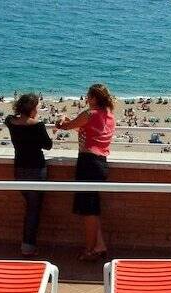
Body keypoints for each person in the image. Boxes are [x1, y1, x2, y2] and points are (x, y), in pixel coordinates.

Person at [56, 84, 116, 261]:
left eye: (88, 96)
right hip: (101, 163)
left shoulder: (89, 113)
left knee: (88, 211)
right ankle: (99, 245)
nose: (86, 99)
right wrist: (71, 123)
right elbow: (88, 130)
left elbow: (64, 126)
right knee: (92, 208)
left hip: (88, 163)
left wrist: (61, 118)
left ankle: (90, 250)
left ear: (94, 98)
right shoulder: (109, 115)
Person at [5, 93, 53, 256]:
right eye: (37, 107)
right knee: (33, 209)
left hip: (19, 169)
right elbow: (48, 145)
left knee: (30, 207)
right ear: (32, 109)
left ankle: (28, 245)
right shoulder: (37, 125)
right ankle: (27, 247)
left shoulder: (10, 121)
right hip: (36, 169)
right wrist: (36, 121)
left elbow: (11, 118)